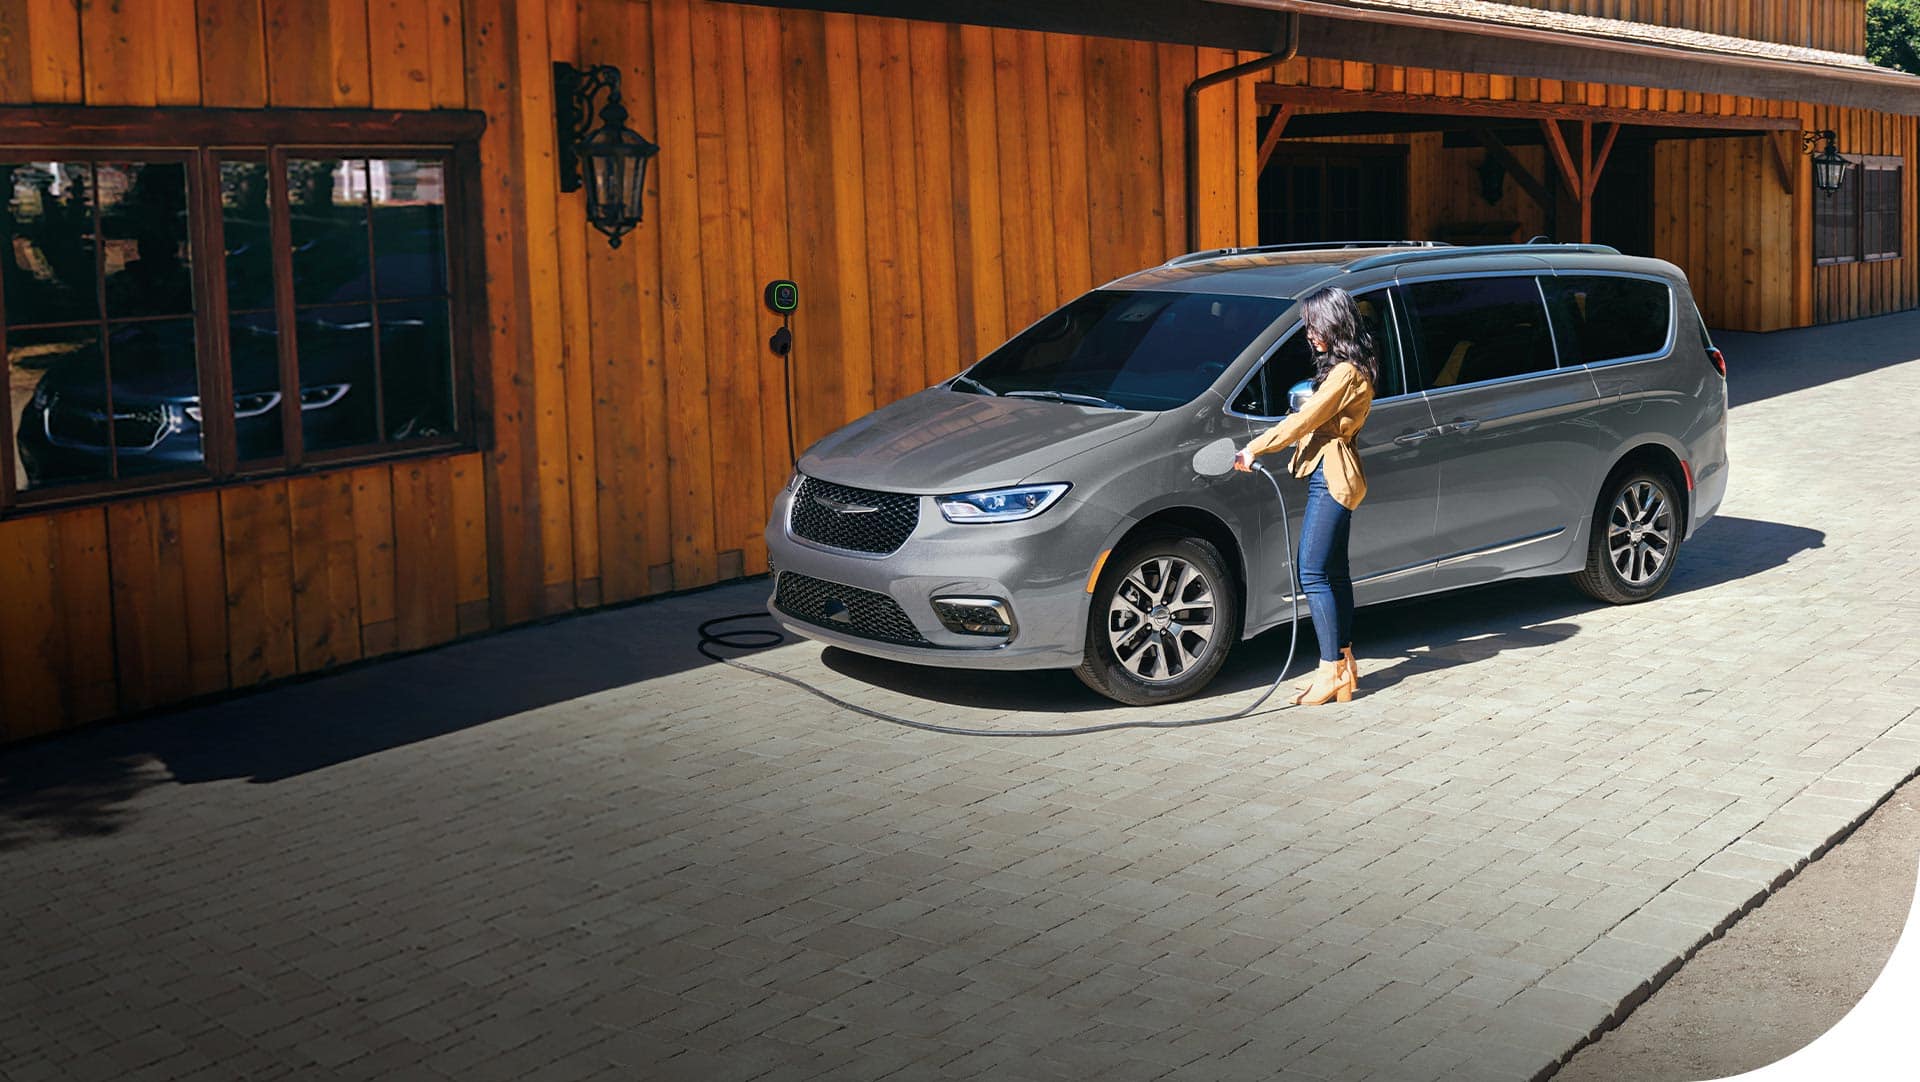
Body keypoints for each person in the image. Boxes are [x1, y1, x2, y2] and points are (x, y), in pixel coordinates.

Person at [1232, 286, 1378, 706]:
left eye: (1313, 324)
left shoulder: (1345, 373)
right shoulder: (1350, 367)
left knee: (1312, 572)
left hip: (1332, 477)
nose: (1309, 333)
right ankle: (1345, 665)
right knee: (1334, 572)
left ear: (1333, 322)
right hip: (1337, 473)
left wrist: (1254, 448)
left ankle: (1330, 669)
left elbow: (1305, 420)